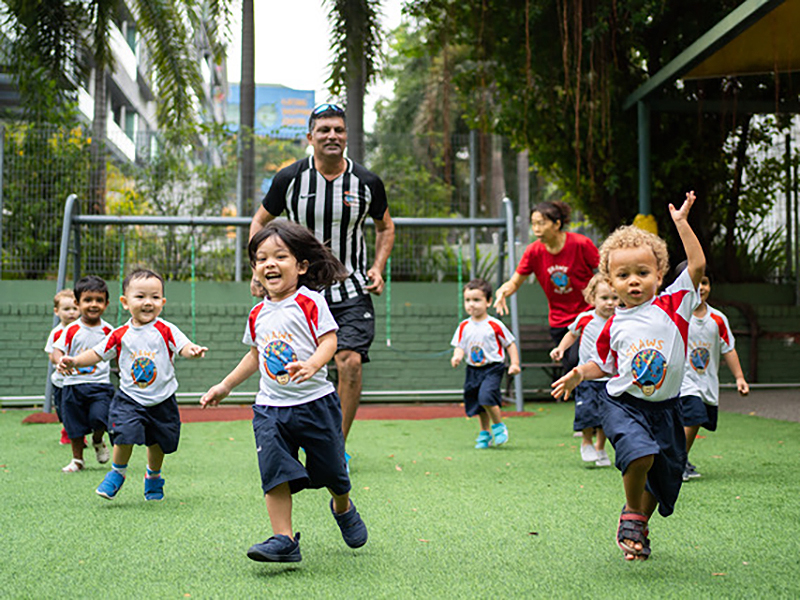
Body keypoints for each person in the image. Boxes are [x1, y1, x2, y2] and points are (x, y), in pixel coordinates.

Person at [201, 220, 367, 564]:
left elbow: (329, 340)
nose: (269, 264)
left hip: (315, 404)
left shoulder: (310, 302)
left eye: (280, 256)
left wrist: (313, 364)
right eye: (261, 259)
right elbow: (255, 356)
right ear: (255, 270)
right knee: (274, 469)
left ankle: (343, 506)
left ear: (301, 266)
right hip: (270, 409)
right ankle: (284, 539)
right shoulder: (257, 313)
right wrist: (225, 385)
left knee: (334, 472)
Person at [551, 191, 704, 561]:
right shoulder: (612, 325)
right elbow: (603, 365)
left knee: (664, 477)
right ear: (610, 280)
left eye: (642, 273)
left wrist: (682, 224)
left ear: (660, 274)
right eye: (623, 275)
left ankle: (637, 523)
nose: (633, 281)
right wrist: (577, 374)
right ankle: (632, 515)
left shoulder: (675, 305)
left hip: (666, 410)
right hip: (624, 405)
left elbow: (697, 265)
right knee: (639, 454)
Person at [249, 103, 395, 466]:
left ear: (347, 137)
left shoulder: (367, 182)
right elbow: (258, 224)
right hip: (299, 294)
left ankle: (335, 446)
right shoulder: (289, 179)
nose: (333, 136)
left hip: (351, 291)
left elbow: (386, 227)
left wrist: (377, 267)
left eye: (339, 130)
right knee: (294, 364)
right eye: (325, 130)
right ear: (310, 137)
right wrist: (258, 271)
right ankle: (292, 434)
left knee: (349, 363)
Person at [58, 269, 208, 500]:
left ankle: (154, 477)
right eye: (140, 297)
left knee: (158, 442)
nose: (148, 302)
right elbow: (97, 354)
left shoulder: (167, 329)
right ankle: (117, 473)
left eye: (155, 297)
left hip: (162, 399)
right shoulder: (120, 334)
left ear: (163, 302)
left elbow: (183, 346)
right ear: (125, 302)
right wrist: (74, 361)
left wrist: (193, 351)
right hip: (130, 399)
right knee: (124, 434)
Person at [494, 201, 599, 374]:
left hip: (587, 315)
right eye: (533, 224)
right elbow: (514, 282)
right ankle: (584, 401)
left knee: (578, 360)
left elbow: (605, 271)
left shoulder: (581, 244)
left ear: (557, 224)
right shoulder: (533, 251)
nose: (536, 229)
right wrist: (502, 292)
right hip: (559, 321)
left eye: (541, 223)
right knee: (570, 366)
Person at [676, 263, 749, 481]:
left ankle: (679, 456)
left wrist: (739, 378)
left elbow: (728, 348)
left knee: (695, 419)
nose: (700, 287)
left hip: (706, 381)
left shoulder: (718, 319)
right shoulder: (676, 315)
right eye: (694, 282)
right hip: (682, 381)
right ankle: (677, 460)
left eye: (705, 282)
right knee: (694, 414)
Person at [550, 273, 618, 467]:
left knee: (606, 415)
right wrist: (561, 349)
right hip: (586, 377)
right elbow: (571, 334)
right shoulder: (585, 318)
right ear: (592, 298)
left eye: (614, 298)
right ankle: (586, 442)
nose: (610, 303)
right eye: (604, 298)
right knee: (587, 411)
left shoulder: (620, 320)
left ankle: (600, 447)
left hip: (610, 377)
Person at [51, 276, 114, 473]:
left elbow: (119, 352)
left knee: (99, 418)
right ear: (78, 303)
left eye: (99, 300)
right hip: (73, 385)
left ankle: (97, 440)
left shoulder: (109, 331)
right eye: (88, 300)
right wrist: (61, 360)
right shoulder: (71, 329)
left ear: (106, 304)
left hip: (100, 385)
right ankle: (77, 460)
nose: (93, 304)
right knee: (74, 426)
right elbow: (57, 350)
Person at [450, 279, 521, 449]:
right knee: (477, 402)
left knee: (487, 397)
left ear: (488, 301)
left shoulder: (495, 325)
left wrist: (515, 363)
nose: (471, 304)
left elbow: (510, 343)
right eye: (468, 300)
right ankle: (485, 433)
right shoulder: (464, 326)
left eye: (476, 300)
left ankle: (498, 426)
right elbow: (460, 345)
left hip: (492, 368)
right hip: (473, 369)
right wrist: (457, 357)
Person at [44, 289, 80, 445]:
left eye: (74, 308)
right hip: (60, 381)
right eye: (66, 309)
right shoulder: (56, 333)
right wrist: (60, 361)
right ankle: (66, 429)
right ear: (56, 311)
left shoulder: (81, 330)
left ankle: (76, 434)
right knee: (62, 411)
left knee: (77, 409)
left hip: (78, 379)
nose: (71, 313)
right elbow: (51, 355)